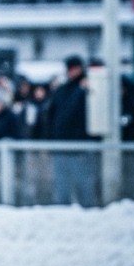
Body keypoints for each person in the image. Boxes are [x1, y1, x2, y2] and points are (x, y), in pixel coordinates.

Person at [41, 55, 97, 206]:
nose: (72, 72)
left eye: (75, 68)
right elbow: (53, 116)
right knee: (62, 187)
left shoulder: (89, 88)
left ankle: (88, 213)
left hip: (80, 148)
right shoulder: (63, 90)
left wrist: (81, 90)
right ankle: (63, 212)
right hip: (61, 146)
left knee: (84, 185)